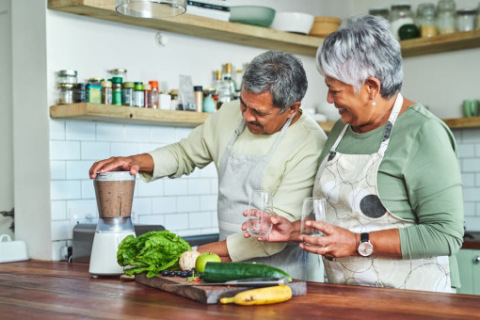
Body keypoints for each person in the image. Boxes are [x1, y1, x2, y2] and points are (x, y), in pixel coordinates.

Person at [243, 15, 464, 292]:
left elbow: (445, 235)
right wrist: (292, 230)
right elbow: (340, 220)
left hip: (415, 302)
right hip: (347, 297)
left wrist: (356, 243)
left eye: (334, 89)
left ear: (371, 87)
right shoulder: (341, 129)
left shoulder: (424, 132)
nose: (329, 99)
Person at [89, 50, 327, 279]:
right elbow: (184, 154)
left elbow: (274, 233)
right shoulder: (230, 114)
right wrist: (134, 162)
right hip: (221, 264)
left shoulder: (310, 143)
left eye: (258, 112)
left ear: (292, 108)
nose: (246, 117)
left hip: (286, 273)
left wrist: (194, 255)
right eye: (244, 104)